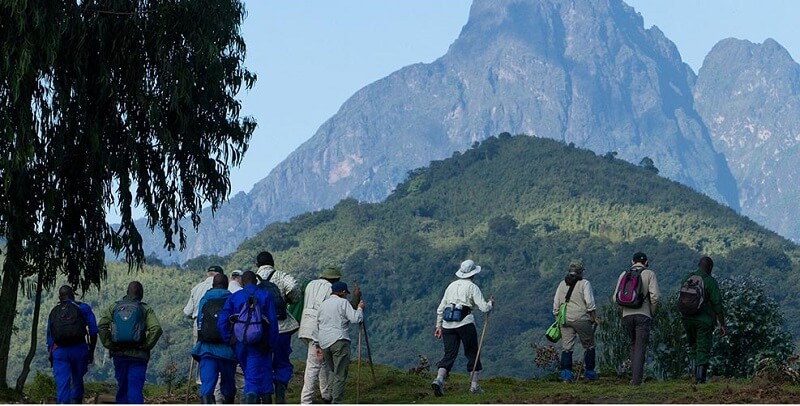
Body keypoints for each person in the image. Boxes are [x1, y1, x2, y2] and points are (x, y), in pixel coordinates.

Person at [298, 266, 360, 404]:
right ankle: (306, 400)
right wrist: (356, 301)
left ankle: (326, 394)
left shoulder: (310, 285)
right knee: (314, 365)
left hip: (305, 327)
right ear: (335, 280)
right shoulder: (330, 290)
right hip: (320, 330)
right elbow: (339, 309)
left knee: (323, 363)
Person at [432, 259, 494, 396]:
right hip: (465, 323)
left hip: (448, 325)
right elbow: (483, 308)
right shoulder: (472, 287)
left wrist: (438, 326)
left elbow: (441, 308)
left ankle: (439, 379)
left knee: (449, 354)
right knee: (472, 353)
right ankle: (474, 386)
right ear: (473, 273)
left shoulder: (451, 286)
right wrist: (490, 303)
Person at [218, 270, 279, 404]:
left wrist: (229, 339)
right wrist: (272, 343)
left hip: (239, 342)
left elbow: (222, 321)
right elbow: (273, 323)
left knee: (250, 372)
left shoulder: (235, 297)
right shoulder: (265, 295)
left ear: (242, 282)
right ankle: (252, 396)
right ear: (256, 281)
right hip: (260, 342)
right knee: (255, 376)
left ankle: (256, 396)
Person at [98, 281, 163, 404]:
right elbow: (156, 329)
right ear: (141, 294)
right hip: (139, 356)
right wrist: (146, 346)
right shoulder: (144, 308)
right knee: (135, 388)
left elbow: (102, 326)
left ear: (127, 292)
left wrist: (110, 344)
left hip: (119, 354)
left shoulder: (114, 307)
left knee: (122, 387)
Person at [255, 251, 301, 403]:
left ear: (257, 265)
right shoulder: (281, 276)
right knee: (282, 361)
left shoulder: (252, 280)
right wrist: (289, 300)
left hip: (261, 330)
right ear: (272, 263)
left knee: (264, 360)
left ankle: (266, 396)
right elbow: (294, 287)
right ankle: (280, 391)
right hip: (282, 327)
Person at [613, 252, 660, 385]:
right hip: (643, 314)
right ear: (646, 262)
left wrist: (623, 310)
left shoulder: (624, 274)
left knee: (633, 345)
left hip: (626, 315)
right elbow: (655, 297)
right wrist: (651, 312)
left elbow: (614, 298)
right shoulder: (649, 274)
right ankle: (636, 381)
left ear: (632, 261)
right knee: (640, 347)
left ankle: (633, 377)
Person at [46, 285, 99, 404]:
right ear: (73, 295)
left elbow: (50, 336)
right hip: (79, 348)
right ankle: (76, 400)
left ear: (60, 297)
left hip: (60, 351)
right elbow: (94, 331)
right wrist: (91, 351)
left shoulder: (54, 311)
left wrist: (51, 353)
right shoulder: (83, 308)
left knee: (62, 384)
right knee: (78, 378)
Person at [681, 256, 727, 383]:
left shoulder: (687, 277)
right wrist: (722, 324)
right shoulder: (710, 281)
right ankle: (700, 378)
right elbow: (717, 304)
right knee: (703, 348)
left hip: (687, 319)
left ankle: (692, 374)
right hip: (703, 320)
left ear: (698, 264)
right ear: (710, 268)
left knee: (693, 346)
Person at [316, 281, 365, 404]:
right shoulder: (343, 303)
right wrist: (360, 308)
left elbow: (318, 323)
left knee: (333, 370)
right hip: (339, 340)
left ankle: (329, 396)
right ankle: (336, 401)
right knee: (340, 374)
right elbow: (355, 319)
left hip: (324, 342)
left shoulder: (323, 304)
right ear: (343, 292)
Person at [192, 273, 237, 404]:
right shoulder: (232, 299)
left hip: (207, 349)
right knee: (228, 386)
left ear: (213, 285)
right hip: (227, 350)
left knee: (207, 387)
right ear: (227, 285)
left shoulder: (204, 300)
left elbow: (199, 322)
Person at [552, 261, 600, 383]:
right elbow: (590, 303)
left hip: (564, 319)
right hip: (581, 318)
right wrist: (594, 317)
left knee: (567, 348)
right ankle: (589, 373)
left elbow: (556, 304)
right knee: (589, 345)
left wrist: (557, 318)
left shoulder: (562, 284)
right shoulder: (584, 284)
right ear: (580, 272)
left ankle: (566, 376)